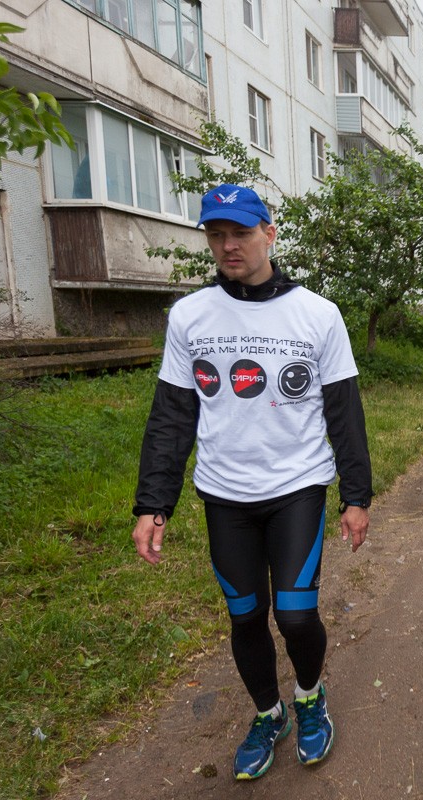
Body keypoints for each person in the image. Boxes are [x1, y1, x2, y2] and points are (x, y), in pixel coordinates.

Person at [131, 184, 372, 781]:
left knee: (293, 615)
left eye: (240, 232)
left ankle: (310, 698)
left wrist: (356, 496)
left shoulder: (317, 314)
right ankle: (269, 713)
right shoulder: (190, 315)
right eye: (216, 234)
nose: (228, 245)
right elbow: (172, 415)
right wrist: (152, 503)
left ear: (269, 233)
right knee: (244, 616)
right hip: (225, 494)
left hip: (297, 487)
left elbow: (344, 411)